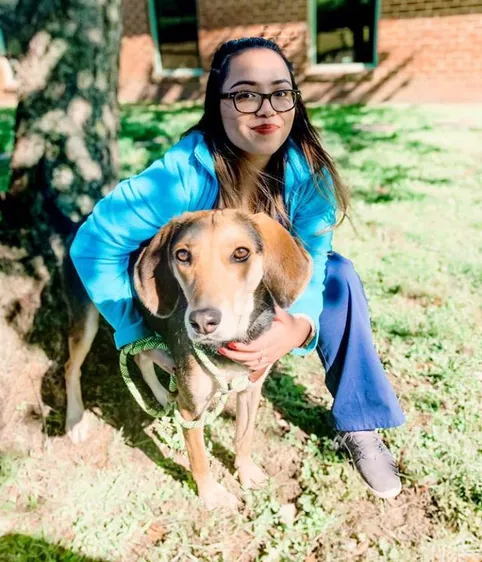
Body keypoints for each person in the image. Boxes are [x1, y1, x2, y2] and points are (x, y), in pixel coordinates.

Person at [70, 37, 405, 499]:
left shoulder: (311, 178)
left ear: (294, 101)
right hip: (193, 281)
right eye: (245, 94)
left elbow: (314, 257)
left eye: (280, 92)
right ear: (218, 103)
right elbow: (96, 243)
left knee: (341, 278)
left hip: (259, 276)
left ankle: (361, 424)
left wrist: (301, 324)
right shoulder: (179, 176)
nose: (266, 108)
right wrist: (133, 330)